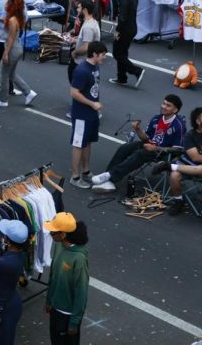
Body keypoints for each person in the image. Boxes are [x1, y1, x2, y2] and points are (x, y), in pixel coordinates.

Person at [91, 94, 186, 193]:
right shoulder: (156, 118)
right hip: (149, 145)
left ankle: (110, 176)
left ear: (175, 110)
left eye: (168, 105)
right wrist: (138, 129)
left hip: (163, 153)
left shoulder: (179, 126)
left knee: (141, 154)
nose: (163, 107)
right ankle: (109, 179)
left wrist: (155, 148)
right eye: (163, 103)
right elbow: (146, 138)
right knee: (124, 148)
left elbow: (177, 149)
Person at [159, 106, 202, 216]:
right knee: (174, 176)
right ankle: (178, 200)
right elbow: (195, 157)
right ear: (198, 121)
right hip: (190, 164)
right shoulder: (190, 136)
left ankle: (170, 166)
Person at [44, 213, 89, 345]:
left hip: (67, 315)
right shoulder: (59, 246)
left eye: (53, 232)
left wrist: (74, 322)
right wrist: (49, 299)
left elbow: (81, 292)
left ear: (62, 235)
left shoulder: (79, 259)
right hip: (55, 310)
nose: (50, 233)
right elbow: (53, 276)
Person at [68, 41, 107, 188]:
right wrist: (92, 104)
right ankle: (75, 176)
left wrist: (95, 105)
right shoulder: (81, 70)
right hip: (82, 114)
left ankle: (86, 171)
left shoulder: (95, 67)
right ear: (95, 54)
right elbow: (74, 92)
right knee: (79, 144)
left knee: (88, 142)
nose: (104, 58)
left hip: (91, 113)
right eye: (102, 55)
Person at [1, 0, 38, 107]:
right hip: (18, 48)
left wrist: (6, 53)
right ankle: (28, 92)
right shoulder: (18, 18)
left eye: (7, 3)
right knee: (11, 74)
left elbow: (11, 38)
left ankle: (3, 100)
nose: (5, 4)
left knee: (4, 74)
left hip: (12, 48)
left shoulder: (12, 20)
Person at [110, 0, 144, 85]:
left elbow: (123, 17)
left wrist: (117, 31)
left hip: (125, 29)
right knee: (122, 53)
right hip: (132, 28)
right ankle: (121, 77)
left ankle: (136, 71)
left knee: (117, 53)